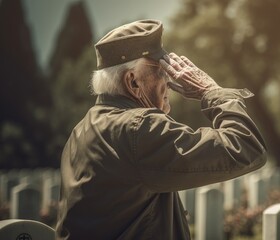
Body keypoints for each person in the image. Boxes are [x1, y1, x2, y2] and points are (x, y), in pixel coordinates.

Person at [56, 19, 267, 240]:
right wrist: (211, 92)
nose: (170, 80)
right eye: (160, 70)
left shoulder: (81, 131)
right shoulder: (137, 128)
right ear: (133, 82)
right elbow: (246, 146)